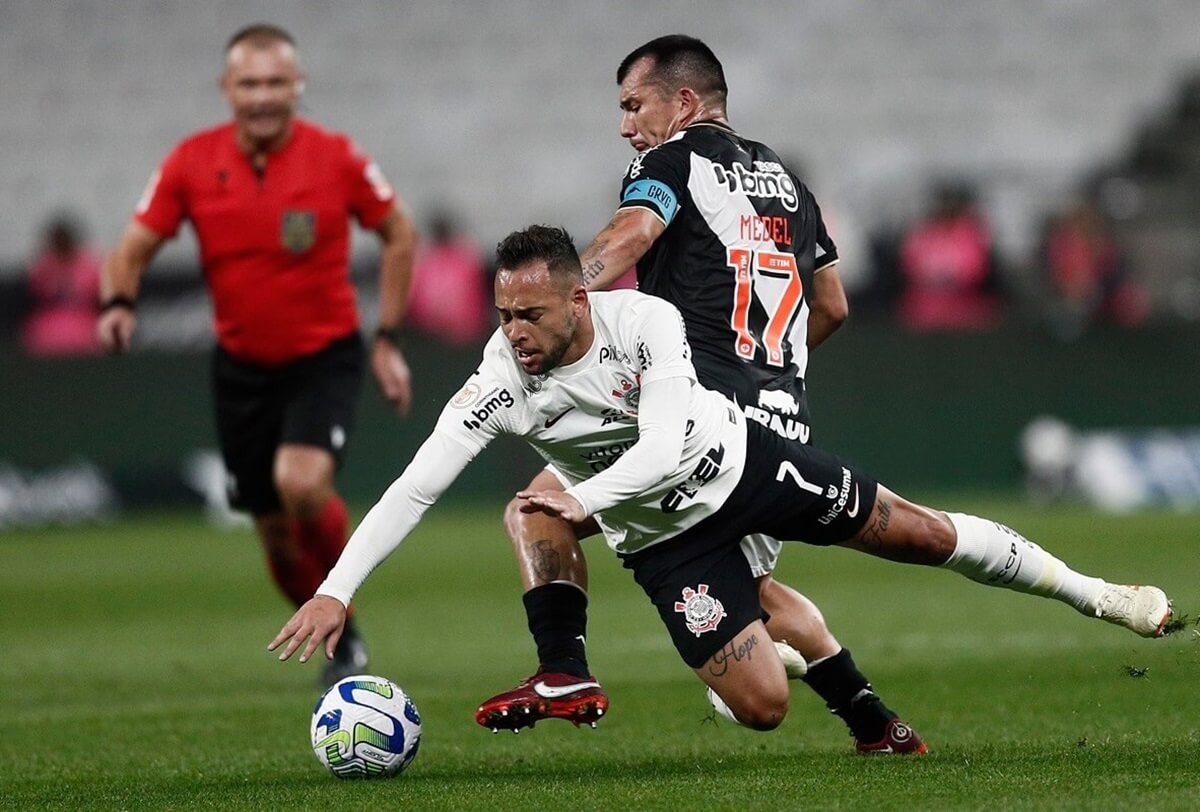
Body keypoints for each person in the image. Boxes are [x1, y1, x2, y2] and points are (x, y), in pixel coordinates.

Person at [269, 225, 1172, 739]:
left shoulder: (645, 320)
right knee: (762, 710)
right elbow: (413, 489)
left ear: (578, 301)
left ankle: (1100, 594)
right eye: (503, 315)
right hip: (665, 542)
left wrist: (582, 496)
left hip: (743, 468)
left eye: (530, 314)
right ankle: (584, 668)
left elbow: (665, 443)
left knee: (921, 535)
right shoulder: (496, 382)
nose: (513, 333)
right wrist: (335, 590)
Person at [487, 35, 919, 752]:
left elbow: (630, 236)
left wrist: (552, 303)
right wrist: (772, 369)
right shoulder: (785, 180)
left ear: (683, 102)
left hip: (691, 417)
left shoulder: (665, 162)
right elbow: (833, 304)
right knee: (748, 589)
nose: (626, 124)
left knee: (535, 512)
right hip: (778, 420)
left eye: (634, 105)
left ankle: (563, 668)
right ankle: (875, 722)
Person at [98, 24, 418, 686]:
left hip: (322, 355)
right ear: (227, 89)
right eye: (250, 83)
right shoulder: (191, 161)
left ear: (297, 86)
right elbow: (130, 249)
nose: (265, 96)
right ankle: (345, 637)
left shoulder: (337, 158)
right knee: (273, 532)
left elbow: (399, 233)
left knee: (303, 485)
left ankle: (342, 594)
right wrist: (118, 304)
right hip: (241, 367)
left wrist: (386, 336)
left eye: (277, 82)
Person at [22, 213, 102, 357]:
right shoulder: (44, 265)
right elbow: (38, 295)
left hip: (83, 320)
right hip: (48, 321)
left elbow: (95, 296)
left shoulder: (88, 265)